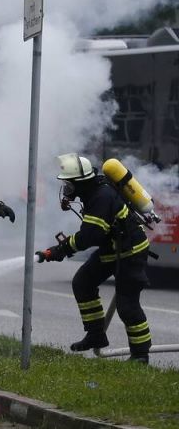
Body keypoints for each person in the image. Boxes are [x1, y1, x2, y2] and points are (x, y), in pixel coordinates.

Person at [36, 153, 152, 363]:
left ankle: (140, 355)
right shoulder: (92, 194)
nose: (67, 189)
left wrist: (60, 250)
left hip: (131, 252)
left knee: (127, 305)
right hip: (112, 250)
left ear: (80, 183)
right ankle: (96, 335)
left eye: (69, 184)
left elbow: (90, 236)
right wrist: (61, 249)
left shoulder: (101, 197)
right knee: (83, 282)